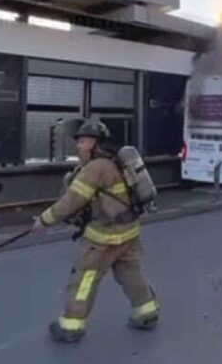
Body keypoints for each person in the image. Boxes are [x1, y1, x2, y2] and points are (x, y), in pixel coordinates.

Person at [32, 119, 159, 343]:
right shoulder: (115, 162)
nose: (78, 146)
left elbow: (72, 201)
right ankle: (147, 312)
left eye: (82, 142)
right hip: (129, 230)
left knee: (84, 278)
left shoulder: (95, 168)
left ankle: (71, 325)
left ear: (94, 143)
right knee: (131, 272)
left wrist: (44, 220)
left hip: (104, 237)